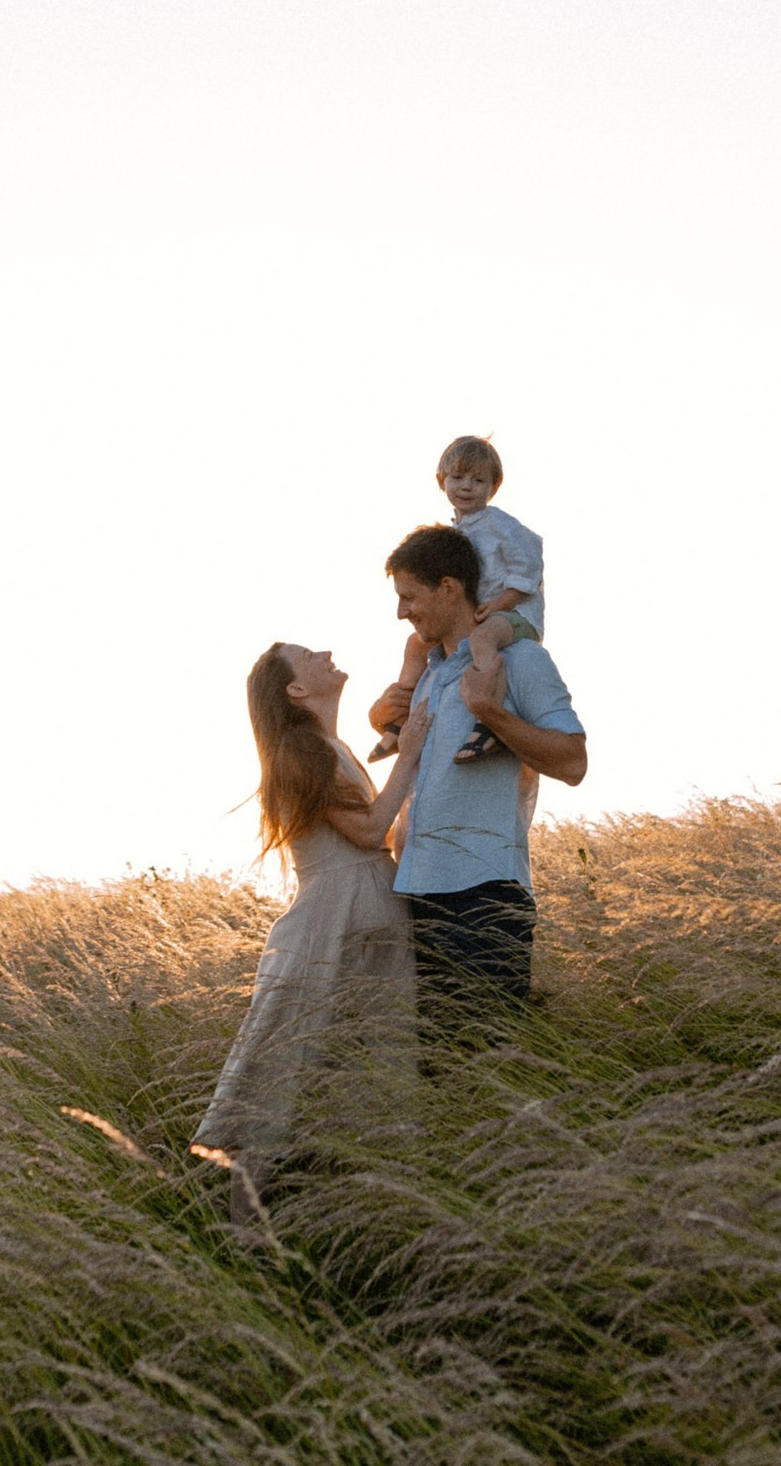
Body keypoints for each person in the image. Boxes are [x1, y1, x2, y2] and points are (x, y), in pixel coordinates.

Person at [191, 643, 435, 1222]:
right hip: (331, 921)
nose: (325, 651)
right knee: (283, 1069)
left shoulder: (333, 745)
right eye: (307, 655)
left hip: (366, 915)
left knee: (367, 1067)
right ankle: (246, 1231)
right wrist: (410, 753)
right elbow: (370, 832)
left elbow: (378, 834)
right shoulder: (301, 749)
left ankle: (353, 1209)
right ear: (296, 690)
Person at [366, 525, 585, 1049]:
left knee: (484, 1065)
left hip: (484, 899)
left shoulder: (520, 660)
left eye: (409, 597)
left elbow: (574, 762)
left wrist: (490, 712)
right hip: (416, 894)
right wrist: (380, 717)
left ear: (449, 588)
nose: (401, 612)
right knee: (432, 1069)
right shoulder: (427, 676)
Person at [369, 435, 546, 764]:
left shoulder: (503, 527)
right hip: (480, 613)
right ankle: (398, 721)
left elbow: (530, 568)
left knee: (482, 639)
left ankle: (491, 718)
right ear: (442, 480)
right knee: (415, 644)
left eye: (478, 480)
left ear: (493, 487)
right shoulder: (456, 531)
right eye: (458, 477)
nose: (466, 486)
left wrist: (502, 603)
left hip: (514, 614)